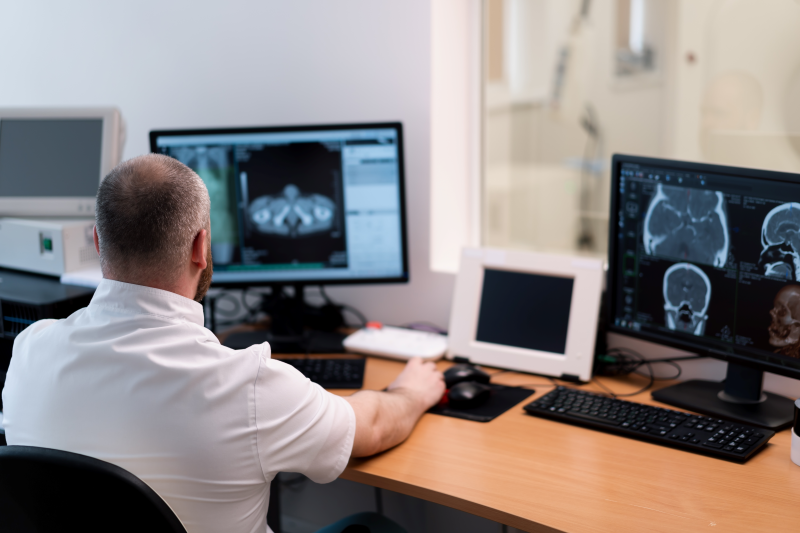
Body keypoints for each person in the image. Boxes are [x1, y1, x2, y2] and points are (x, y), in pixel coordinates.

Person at [1, 154, 445, 533]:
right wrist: (413, 390)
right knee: (373, 525)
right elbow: (373, 427)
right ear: (201, 247)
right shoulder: (246, 384)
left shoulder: (29, 351)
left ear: (98, 242)